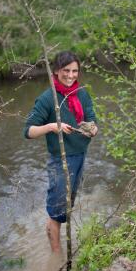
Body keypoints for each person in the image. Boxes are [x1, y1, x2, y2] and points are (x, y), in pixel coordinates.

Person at [24, 51, 98, 253]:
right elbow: (28, 131)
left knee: (67, 207)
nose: (71, 75)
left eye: (75, 71)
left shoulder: (82, 93)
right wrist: (51, 126)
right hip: (60, 161)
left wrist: (93, 128)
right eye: (66, 70)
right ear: (56, 71)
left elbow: (92, 117)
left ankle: (60, 249)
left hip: (81, 156)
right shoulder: (48, 98)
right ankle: (57, 256)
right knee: (57, 212)